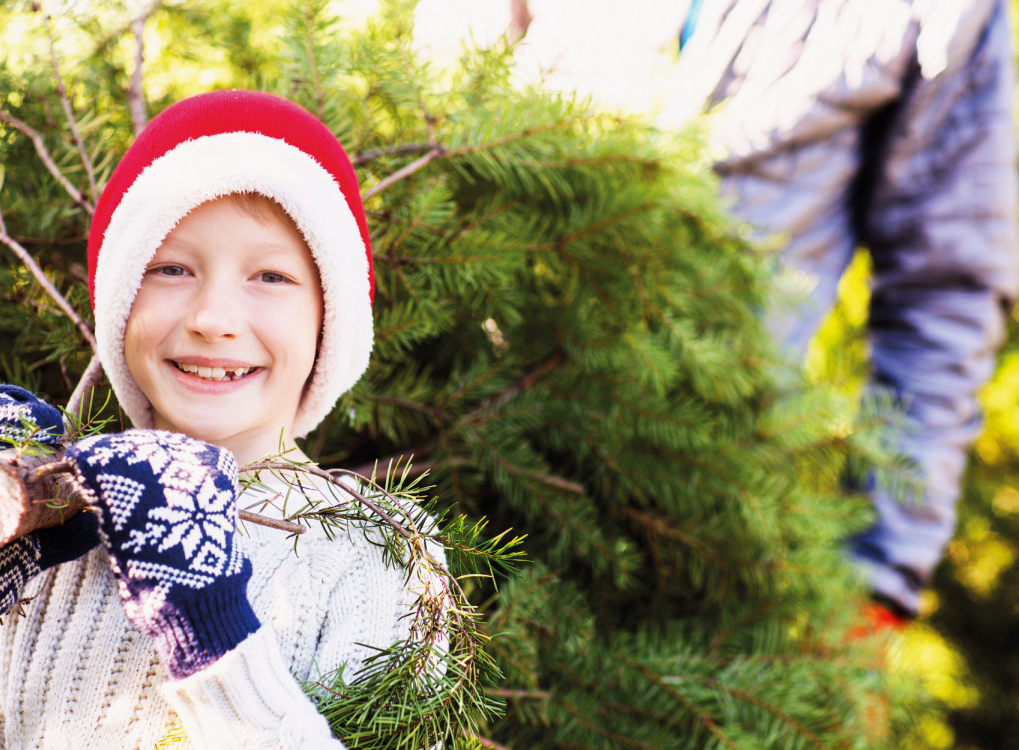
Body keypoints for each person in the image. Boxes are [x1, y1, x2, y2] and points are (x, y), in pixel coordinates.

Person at [0, 89, 444, 748]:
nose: (212, 318)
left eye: (271, 277)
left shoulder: (380, 551)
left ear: (328, 322)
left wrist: (211, 629)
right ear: (122, 308)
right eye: (171, 268)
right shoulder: (50, 539)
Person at [415, 0, 1019, 621]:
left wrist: (881, 575)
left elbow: (945, 290)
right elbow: (443, 93)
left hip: (687, 510)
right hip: (441, 417)